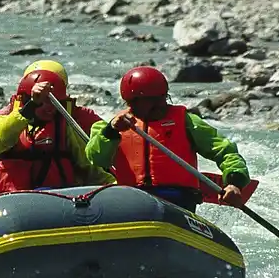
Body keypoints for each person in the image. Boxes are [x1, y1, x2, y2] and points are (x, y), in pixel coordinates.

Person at [85, 66, 250, 212]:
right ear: (132, 102)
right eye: (152, 102)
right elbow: (96, 159)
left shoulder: (186, 121)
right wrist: (111, 132)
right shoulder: (111, 127)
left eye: (162, 98)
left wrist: (234, 182)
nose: (160, 105)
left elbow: (225, 151)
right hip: (131, 199)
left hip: (178, 199)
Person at [0, 69, 115, 192]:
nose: (49, 108)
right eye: (43, 102)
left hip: (56, 199)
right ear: (26, 100)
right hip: (15, 199)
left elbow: (90, 169)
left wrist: (117, 187)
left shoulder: (65, 129)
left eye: (54, 103)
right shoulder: (3, 121)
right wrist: (31, 105)